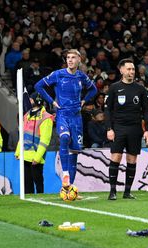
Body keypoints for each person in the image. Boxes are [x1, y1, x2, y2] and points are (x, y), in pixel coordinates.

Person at [35, 49, 97, 189]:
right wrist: (52, 101)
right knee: (64, 138)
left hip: (77, 118)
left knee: (74, 153)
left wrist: (84, 101)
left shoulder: (81, 76)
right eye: (68, 57)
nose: (70, 60)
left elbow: (93, 89)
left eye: (73, 57)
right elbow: (38, 86)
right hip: (62, 115)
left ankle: (69, 188)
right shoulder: (58, 74)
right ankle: (65, 174)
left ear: (79, 60)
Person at [104, 58, 148, 200]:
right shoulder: (114, 88)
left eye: (133, 69)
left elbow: (147, 110)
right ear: (121, 70)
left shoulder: (140, 89)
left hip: (135, 129)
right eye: (128, 69)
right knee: (116, 157)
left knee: (132, 159)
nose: (131, 72)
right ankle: (112, 192)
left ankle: (127, 191)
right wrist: (109, 129)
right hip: (118, 128)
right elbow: (107, 110)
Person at [15, 93, 53, 193]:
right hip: (25, 155)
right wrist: (18, 152)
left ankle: (41, 203)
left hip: (36, 156)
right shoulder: (26, 115)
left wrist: (37, 157)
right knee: (27, 185)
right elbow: (22, 135)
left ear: (32, 100)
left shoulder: (46, 117)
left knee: (38, 183)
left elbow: (45, 140)